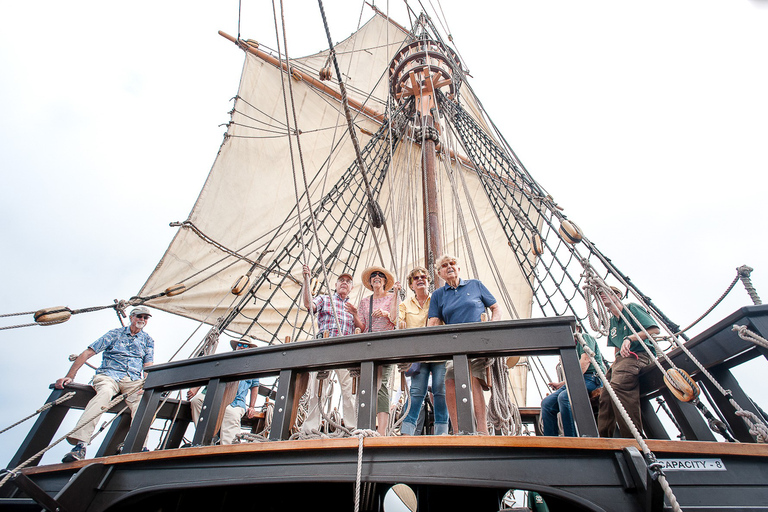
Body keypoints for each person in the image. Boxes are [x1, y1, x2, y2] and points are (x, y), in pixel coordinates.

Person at [56, 306, 155, 463]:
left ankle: (135, 445)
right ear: (131, 317)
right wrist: (70, 376)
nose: (142, 320)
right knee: (105, 394)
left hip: (132, 381)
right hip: (108, 375)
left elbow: (148, 365)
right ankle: (80, 445)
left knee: (146, 402)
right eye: (139, 316)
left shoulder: (148, 340)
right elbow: (88, 352)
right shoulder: (114, 334)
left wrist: (148, 384)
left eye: (145, 317)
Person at [427, 255, 500, 434]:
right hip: (453, 346)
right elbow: (433, 321)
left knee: (473, 381)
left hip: (477, 343)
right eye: (444, 266)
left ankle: (482, 431)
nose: (449, 267)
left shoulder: (475, 285)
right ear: (439, 273)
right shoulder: (438, 295)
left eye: (452, 264)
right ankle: (458, 431)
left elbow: (495, 308)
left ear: (458, 268)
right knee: (450, 381)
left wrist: (492, 326)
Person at [300, 265, 359, 432]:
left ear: (351, 288)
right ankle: (311, 428)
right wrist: (306, 280)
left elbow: (360, 328)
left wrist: (355, 314)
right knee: (318, 390)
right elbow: (308, 305)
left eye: (348, 282)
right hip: (324, 349)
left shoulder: (352, 308)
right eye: (341, 280)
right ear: (335, 284)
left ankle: (352, 428)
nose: (344, 283)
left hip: (345, 352)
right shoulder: (325, 300)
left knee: (349, 391)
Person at [597, 285, 660, 438]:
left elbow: (654, 330)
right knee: (605, 396)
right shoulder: (612, 322)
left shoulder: (631, 308)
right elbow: (616, 347)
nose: (601, 296)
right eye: (598, 294)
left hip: (639, 354)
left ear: (617, 295)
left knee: (619, 386)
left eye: (604, 292)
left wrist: (630, 338)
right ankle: (604, 440)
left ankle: (633, 439)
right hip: (621, 360)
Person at [397, 267, 449, 436]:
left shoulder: (438, 298)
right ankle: (407, 431)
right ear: (411, 285)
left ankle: (441, 432)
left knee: (440, 389)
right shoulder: (404, 305)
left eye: (424, 277)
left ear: (428, 281)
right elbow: (399, 324)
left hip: (439, 352)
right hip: (418, 354)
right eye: (416, 278)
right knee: (417, 392)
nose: (420, 279)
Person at [188, 338, 260, 444]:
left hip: (236, 401)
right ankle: (207, 437)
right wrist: (195, 388)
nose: (241, 347)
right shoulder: (224, 360)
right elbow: (207, 374)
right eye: (239, 344)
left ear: (249, 349)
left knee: (230, 414)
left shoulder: (253, 367)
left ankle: (229, 449)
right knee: (197, 401)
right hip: (215, 396)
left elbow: (255, 386)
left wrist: (252, 406)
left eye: (245, 346)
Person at [541, 325, 605, 437]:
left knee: (564, 397)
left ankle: (571, 438)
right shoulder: (568, 347)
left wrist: (568, 382)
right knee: (547, 403)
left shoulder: (584, 338)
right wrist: (561, 384)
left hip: (592, 378)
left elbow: (585, 362)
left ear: (578, 329)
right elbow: (575, 373)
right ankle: (551, 440)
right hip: (576, 379)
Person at [358, 265, 398, 435]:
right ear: (370, 281)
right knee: (366, 385)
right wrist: (354, 314)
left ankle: (381, 431)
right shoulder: (365, 302)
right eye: (373, 275)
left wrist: (386, 313)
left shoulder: (392, 297)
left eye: (380, 275)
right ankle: (364, 426)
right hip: (368, 346)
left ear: (384, 281)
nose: (376, 277)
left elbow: (397, 319)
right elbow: (361, 325)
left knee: (382, 385)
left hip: (386, 345)